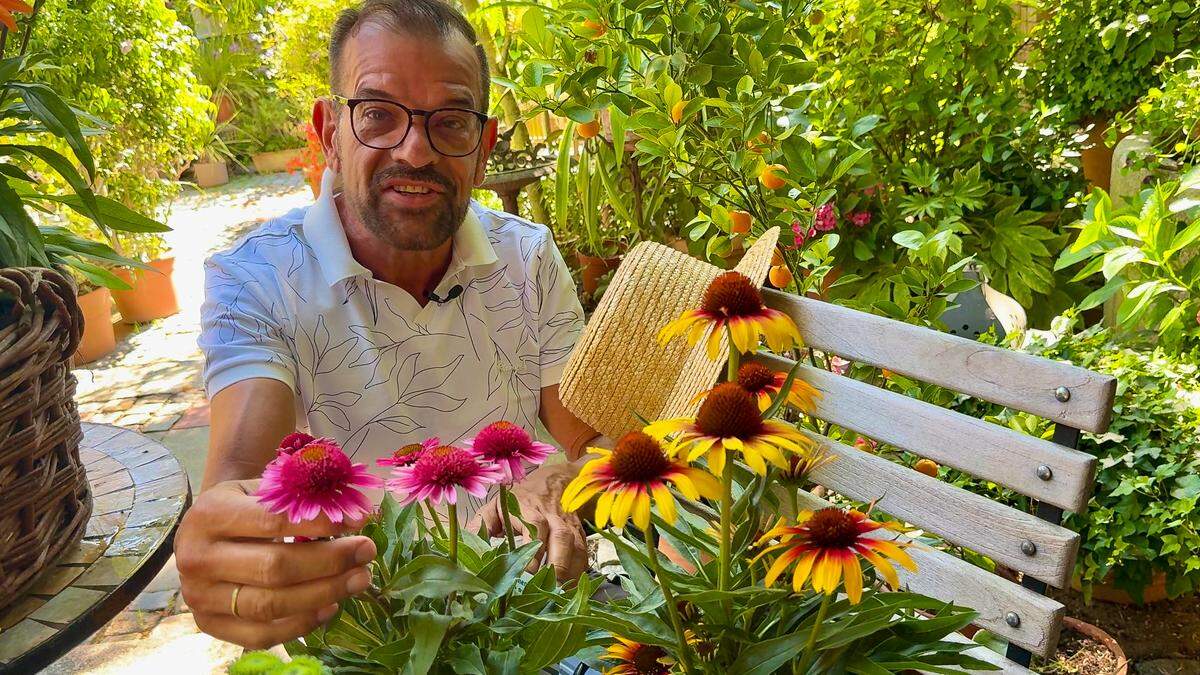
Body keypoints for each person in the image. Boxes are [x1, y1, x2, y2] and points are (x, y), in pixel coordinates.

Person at [177, 0, 605, 650]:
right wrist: (221, 538)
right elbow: (239, 469)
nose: (415, 149)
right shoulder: (257, 277)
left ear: (483, 149)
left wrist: (566, 476)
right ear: (330, 131)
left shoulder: (528, 258)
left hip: (534, 623)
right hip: (370, 639)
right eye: (378, 114)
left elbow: (595, 438)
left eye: (451, 121)